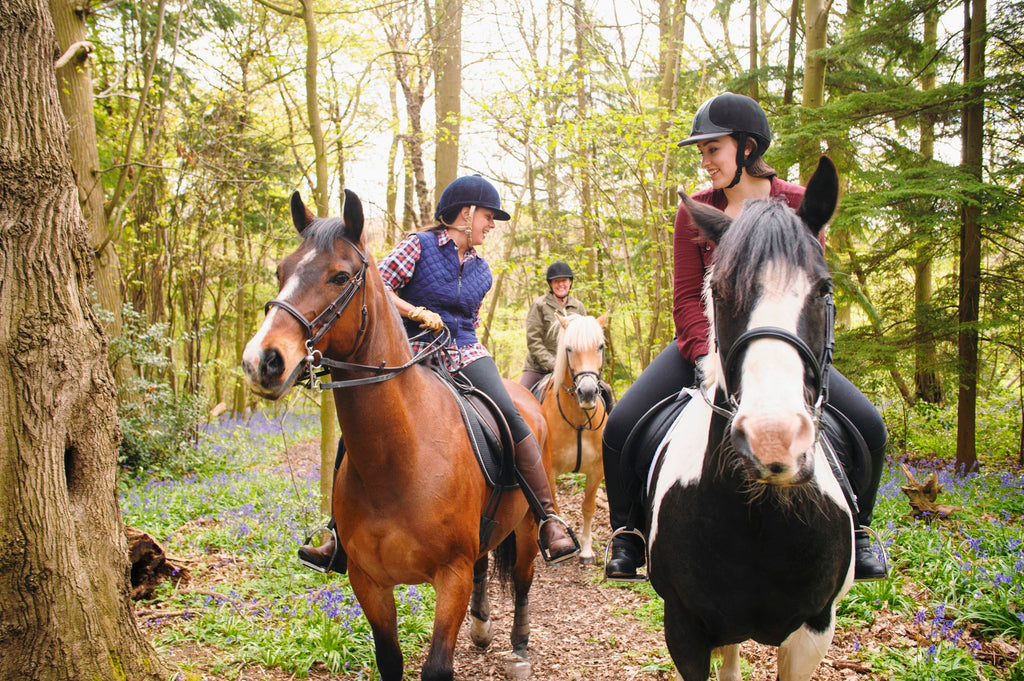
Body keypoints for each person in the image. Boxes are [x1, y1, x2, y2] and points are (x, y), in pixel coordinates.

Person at [601, 92, 888, 583]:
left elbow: (808, 290)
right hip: (711, 348)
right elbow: (687, 297)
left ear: (748, 148)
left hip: (783, 348)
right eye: (702, 152)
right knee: (621, 424)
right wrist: (708, 359)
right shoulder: (696, 211)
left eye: (713, 149)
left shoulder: (799, 205)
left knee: (870, 426)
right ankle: (627, 531)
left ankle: (858, 532)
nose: (705, 161)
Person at [298, 174, 580, 573]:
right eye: (487, 215)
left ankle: (549, 518)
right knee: (361, 426)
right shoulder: (419, 245)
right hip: (410, 351)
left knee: (512, 416)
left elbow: (471, 321)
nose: (491, 224)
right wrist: (416, 313)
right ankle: (337, 535)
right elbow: (376, 286)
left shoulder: (483, 271)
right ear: (465, 214)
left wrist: (468, 344)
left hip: (465, 350)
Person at [519, 261, 587, 390]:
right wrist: (553, 364)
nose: (561, 284)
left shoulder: (578, 307)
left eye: (564, 281)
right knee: (518, 399)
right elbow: (534, 341)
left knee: (604, 390)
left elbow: (584, 342)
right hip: (539, 368)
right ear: (551, 284)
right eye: (556, 281)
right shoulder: (539, 305)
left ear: (570, 282)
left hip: (573, 368)